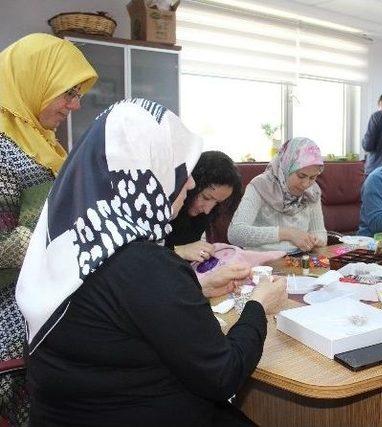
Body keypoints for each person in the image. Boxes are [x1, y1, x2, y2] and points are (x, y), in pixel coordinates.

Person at [16, 99, 288, 427]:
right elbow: (223, 375)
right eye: (180, 170)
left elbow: (114, 311)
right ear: (146, 170)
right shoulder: (143, 264)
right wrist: (258, 306)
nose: (188, 186)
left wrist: (195, 287)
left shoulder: (76, 245)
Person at [0, 33, 97, 425]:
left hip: (40, 297)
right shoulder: (3, 151)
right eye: (67, 93)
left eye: (78, 95)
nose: (74, 106)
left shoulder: (41, 143)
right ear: (34, 79)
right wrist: (60, 234)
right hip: (10, 311)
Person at [228, 137, 327, 252]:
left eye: (312, 177)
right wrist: (288, 233)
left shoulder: (312, 192)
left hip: (299, 262)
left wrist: (316, 240)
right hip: (262, 264)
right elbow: (235, 233)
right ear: (286, 167)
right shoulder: (261, 186)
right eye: (301, 176)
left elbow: (320, 233)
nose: (306, 184)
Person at [165, 150, 242, 262]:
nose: (207, 210)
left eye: (217, 202)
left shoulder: (205, 214)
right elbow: (139, 257)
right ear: (190, 184)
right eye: (206, 197)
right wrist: (179, 251)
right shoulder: (163, 209)